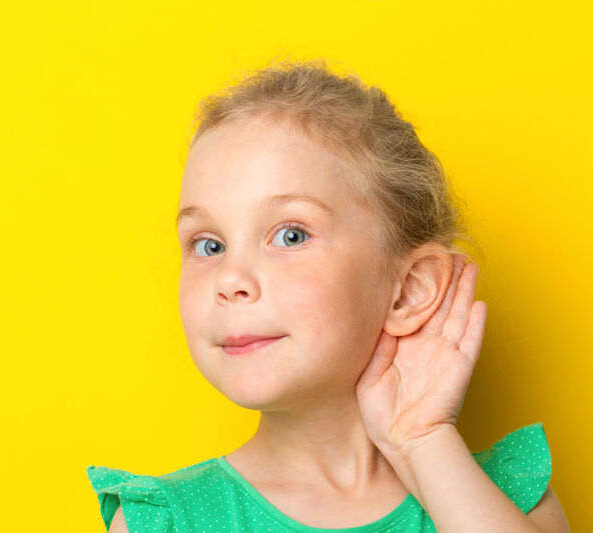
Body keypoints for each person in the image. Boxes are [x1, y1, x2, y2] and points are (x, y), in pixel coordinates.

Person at [86, 58, 569, 532]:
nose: (229, 278)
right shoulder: (166, 520)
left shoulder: (507, 499)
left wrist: (421, 441)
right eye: (208, 245)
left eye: (290, 235)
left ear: (408, 290)